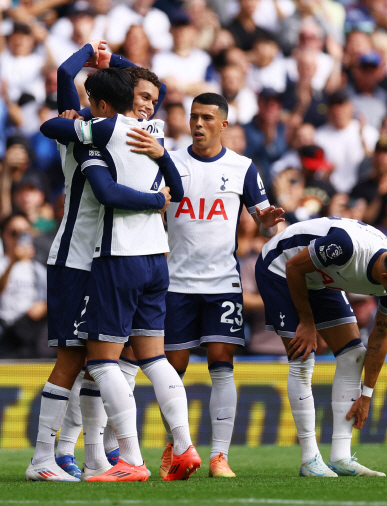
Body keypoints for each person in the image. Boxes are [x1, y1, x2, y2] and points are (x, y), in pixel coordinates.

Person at [40, 67, 198, 483]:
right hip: (144, 258)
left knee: (97, 361)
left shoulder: (97, 131)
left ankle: (115, 457)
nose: (149, 102)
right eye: (143, 95)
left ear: (101, 103)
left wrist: (89, 69)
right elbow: (177, 193)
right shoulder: (155, 133)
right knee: (146, 358)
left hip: (110, 258)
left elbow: (51, 125)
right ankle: (178, 445)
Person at [162, 92, 284, 478]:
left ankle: (219, 456)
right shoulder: (169, 161)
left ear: (224, 125)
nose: (198, 124)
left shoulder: (243, 167)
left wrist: (270, 221)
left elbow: (264, 221)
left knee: (221, 364)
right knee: (171, 369)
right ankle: (179, 447)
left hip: (221, 282)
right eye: (194, 117)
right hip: (176, 282)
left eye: (207, 118)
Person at [255, 217, 387, 477]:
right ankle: (309, 459)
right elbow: (294, 266)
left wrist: (366, 396)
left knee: (353, 355)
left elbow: (380, 336)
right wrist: (307, 321)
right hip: (281, 268)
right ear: (384, 278)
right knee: (303, 357)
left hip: (318, 275)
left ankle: (341, 457)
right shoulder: (345, 247)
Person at [0, 212, 46, 359]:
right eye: (14, 233)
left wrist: (44, 306)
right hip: (0, 337)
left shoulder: (39, 270)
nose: (20, 237)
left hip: (28, 337)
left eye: (25, 232)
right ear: (4, 236)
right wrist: (13, 261)